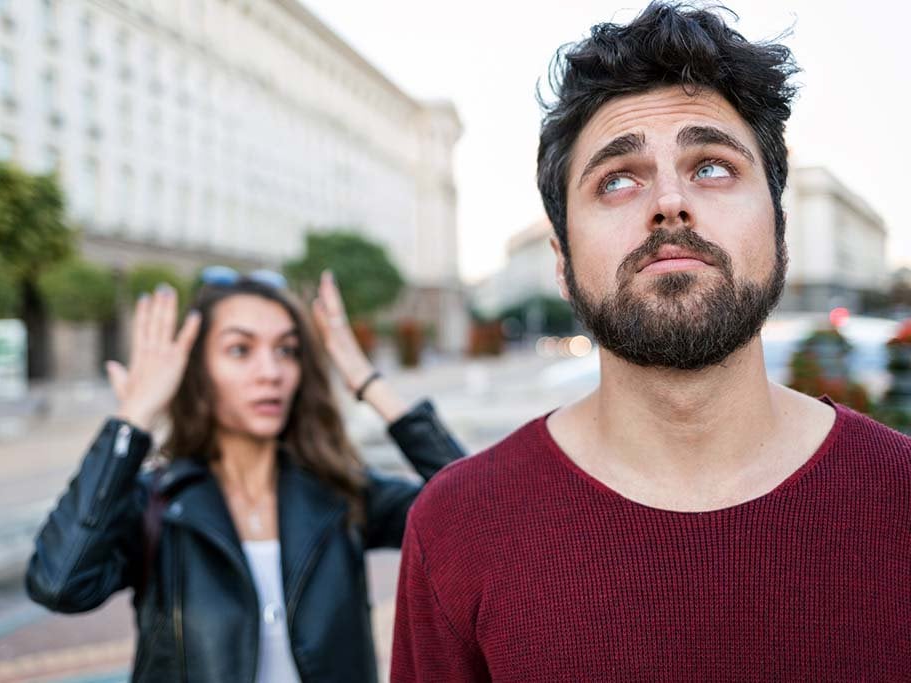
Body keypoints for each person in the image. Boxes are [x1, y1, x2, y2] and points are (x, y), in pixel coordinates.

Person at [390, 3, 911, 681]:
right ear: (561, 257)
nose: (668, 200)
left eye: (713, 166)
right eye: (618, 178)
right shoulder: (455, 528)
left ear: (779, 228)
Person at [26, 268, 464, 682]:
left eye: (287, 350)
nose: (270, 373)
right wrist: (134, 417)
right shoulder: (157, 504)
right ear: (196, 371)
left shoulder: (342, 492)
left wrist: (365, 379)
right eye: (240, 349)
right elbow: (59, 584)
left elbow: (476, 514)